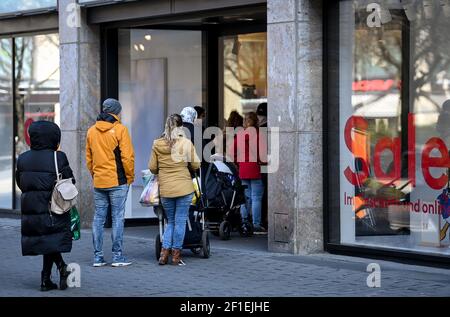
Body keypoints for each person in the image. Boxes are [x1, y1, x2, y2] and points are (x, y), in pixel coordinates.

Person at [16, 121, 74, 291]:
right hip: (52, 208)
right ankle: (61, 269)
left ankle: (46, 279)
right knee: (51, 240)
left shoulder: (23, 158)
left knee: (47, 241)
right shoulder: (58, 157)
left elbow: (20, 183)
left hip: (31, 210)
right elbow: (69, 182)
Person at [86, 98, 135, 267]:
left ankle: (98, 257)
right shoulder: (120, 129)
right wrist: (129, 177)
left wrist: (96, 175)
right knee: (117, 218)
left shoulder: (91, 131)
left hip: (99, 181)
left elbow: (89, 159)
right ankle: (117, 256)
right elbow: (127, 157)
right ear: (115, 111)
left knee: (98, 219)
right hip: (118, 181)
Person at [149, 114, 200, 266]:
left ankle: (164, 254)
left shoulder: (157, 143)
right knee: (180, 222)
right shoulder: (185, 143)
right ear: (181, 127)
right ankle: (176, 256)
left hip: (166, 190)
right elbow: (196, 165)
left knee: (170, 222)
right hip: (184, 188)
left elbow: (152, 168)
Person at [232, 112, 267, 233]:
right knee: (256, 197)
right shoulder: (258, 135)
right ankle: (256, 224)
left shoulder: (240, 135)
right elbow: (262, 154)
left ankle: (244, 222)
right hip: (254, 168)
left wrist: (238, 163)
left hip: (243, 169)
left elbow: (232, 152)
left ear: (245, 122)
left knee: (245, 197)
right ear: (256, 121)